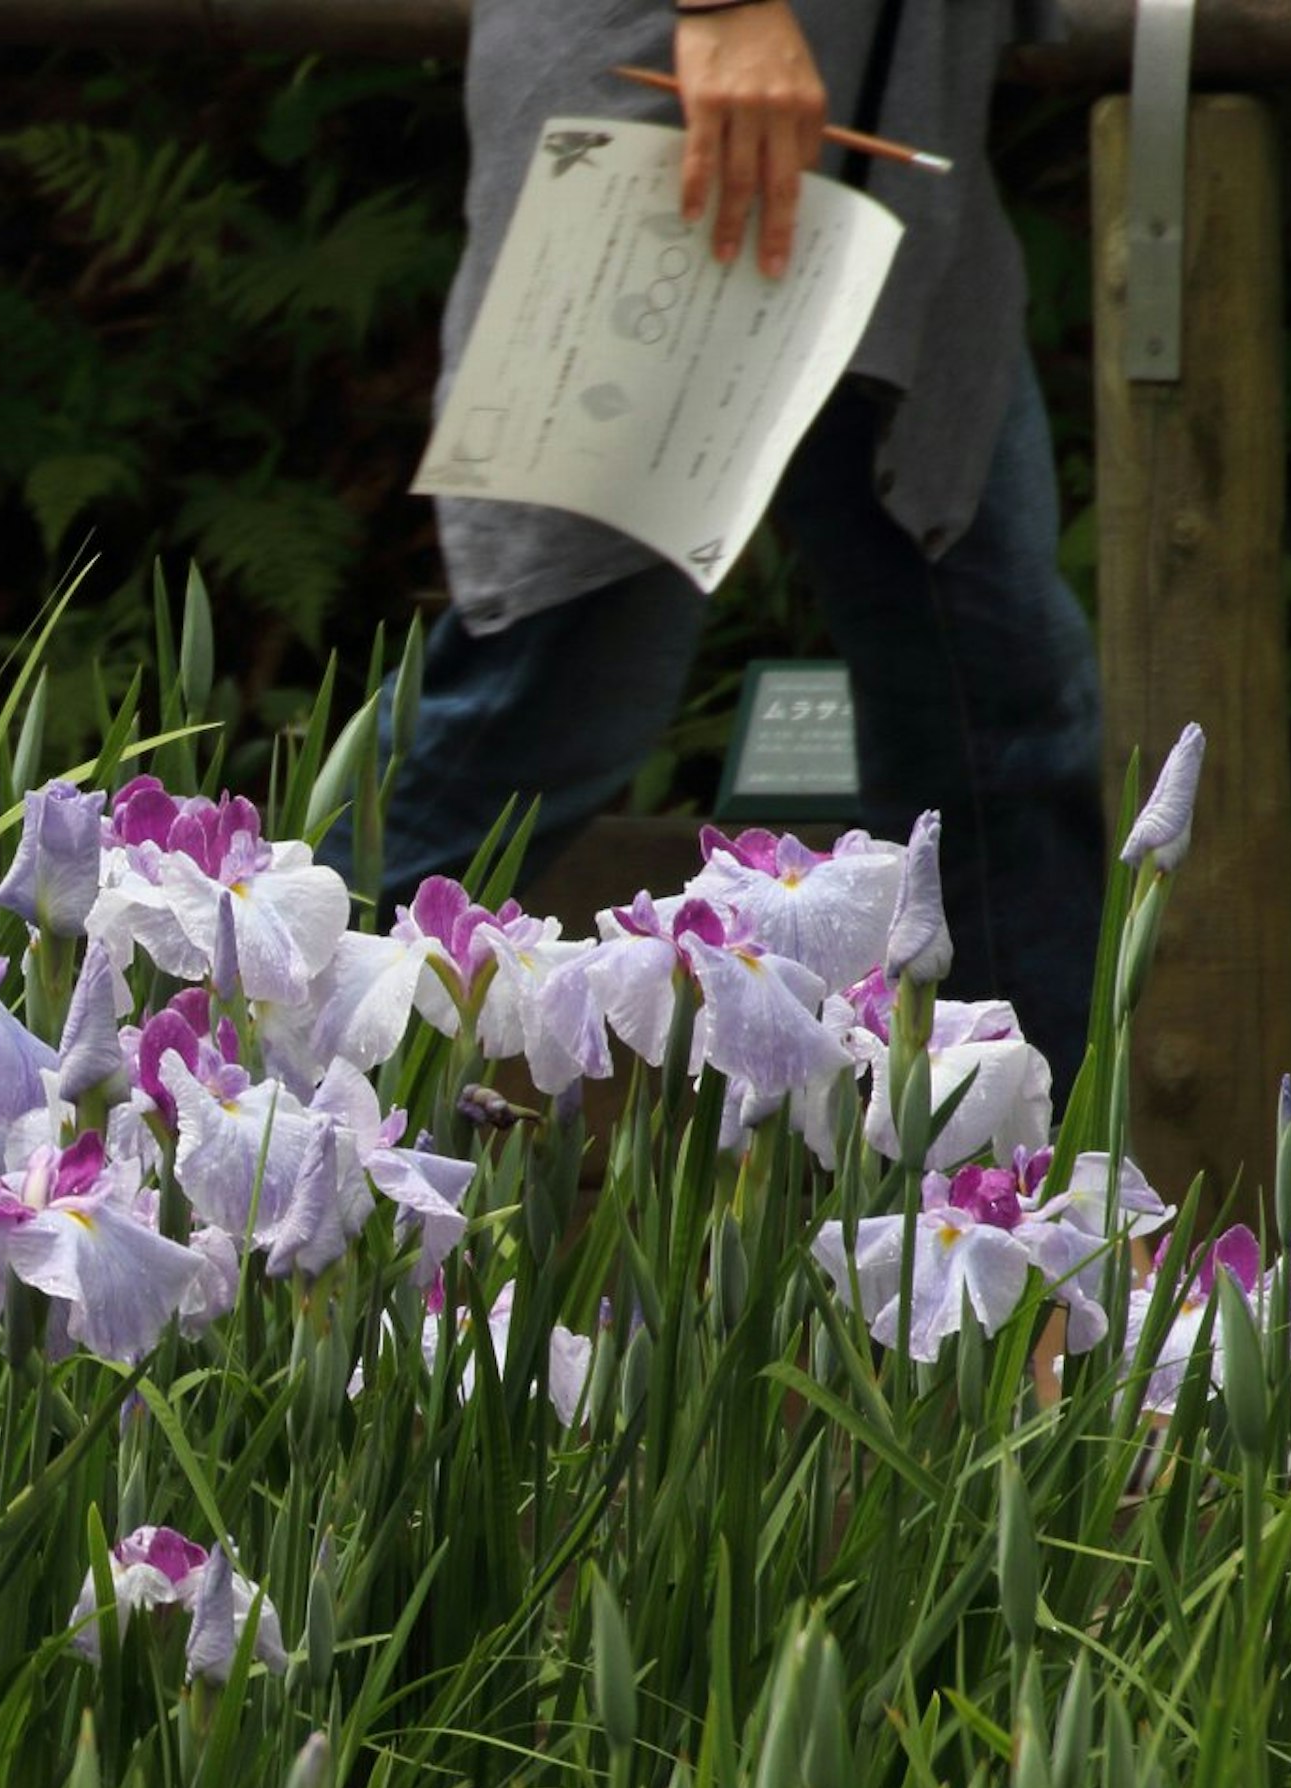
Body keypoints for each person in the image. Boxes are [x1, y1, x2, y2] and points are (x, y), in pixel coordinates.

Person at [381, 0, 1105, 1065]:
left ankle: (1017, 1189)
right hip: (686, 97)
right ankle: (221, 1114)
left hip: (889, 127)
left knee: (999, 706)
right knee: (545, 697)